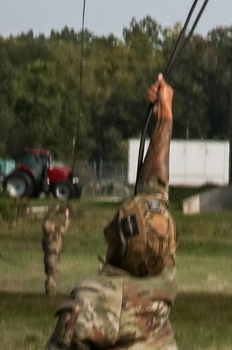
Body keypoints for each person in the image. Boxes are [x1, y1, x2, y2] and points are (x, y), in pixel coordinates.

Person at [47, 75, 177, 348]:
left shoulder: (91, 303)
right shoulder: (163, 281)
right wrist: (164, 116)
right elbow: (154, 188)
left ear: (114, 241)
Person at [42, 204, 70, 296]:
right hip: (53, 257)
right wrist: (66, 216)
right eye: (52, 224)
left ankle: (50, 286)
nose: (54, 224)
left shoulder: (45, 237)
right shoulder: (56, 235)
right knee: (52, 275)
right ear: (50, 228)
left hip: (47, 257)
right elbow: (65, 226)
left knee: (51, 273)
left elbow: (43, 247)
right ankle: (49, 288)